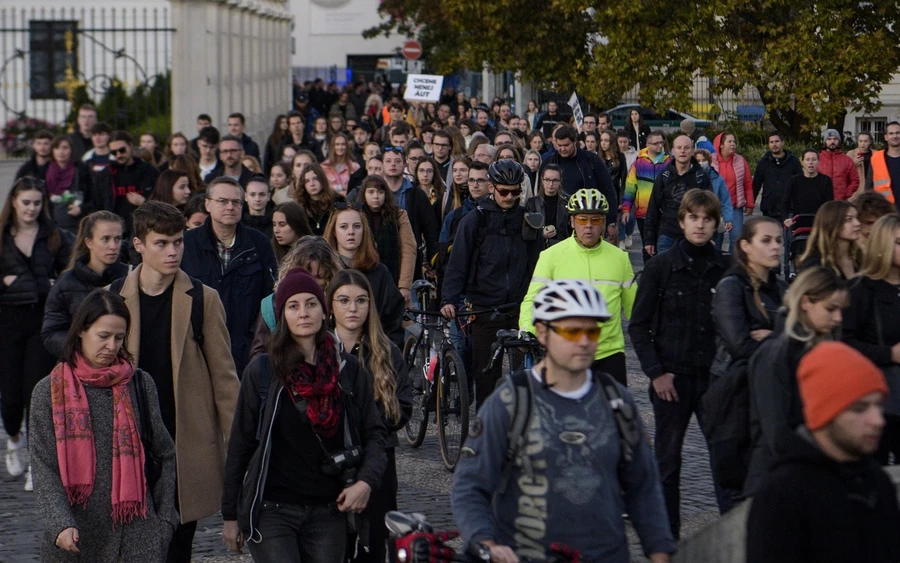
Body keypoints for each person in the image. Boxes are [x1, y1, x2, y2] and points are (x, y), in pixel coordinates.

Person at [453, 279, 674, 563]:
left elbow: (644, 488)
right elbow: (470, 485)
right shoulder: (511, 401)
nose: (583, 341)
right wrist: (486, 543)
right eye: (572, 331)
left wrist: (660, 552)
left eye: (592, 331)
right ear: (543, 332)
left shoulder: (616, 400)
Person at [221, 267, 388, 562]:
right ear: (282, 314)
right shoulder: (262, 372)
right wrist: (231, 515)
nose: (303, 313)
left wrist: (365, 482)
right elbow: (241, 445)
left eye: (311, 304)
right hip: (273, 509)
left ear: (324, 312)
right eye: (293, 306)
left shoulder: (348, 371)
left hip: (329, 508)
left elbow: (375, 434)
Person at [108, 200, 240, 562]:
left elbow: (225, 380)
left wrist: (242, 447)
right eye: (161, 243)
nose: (172, 251)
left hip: (185, 443)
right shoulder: (112, 296)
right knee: (132, 543)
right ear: (138, 246)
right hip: (129, 442)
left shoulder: (202, 298)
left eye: (178, 242)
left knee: (178, 546)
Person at [30, 289, 179, 562]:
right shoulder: (49, 391)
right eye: (103, 336)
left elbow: (165, 454)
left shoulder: (140, 384)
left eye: (119, 338)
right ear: (81, 333)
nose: (111, 346)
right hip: (76, 538)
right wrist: (60, 523)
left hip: (137, 536)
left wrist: (165, 522)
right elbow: (43, 466)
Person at [629, 189, 732, 539]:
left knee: (725, 460)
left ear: (716, 224)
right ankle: (666, 541)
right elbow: (639, 326)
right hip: (671, 380)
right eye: (694, 218)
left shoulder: (728, 268)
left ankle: (734, 537)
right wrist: (656, 374)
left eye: (707, 219)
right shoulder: (660, 267)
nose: (700, 225)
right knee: (667, 464)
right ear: (682, 221)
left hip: (715, 381)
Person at [745, 342, 900, 563]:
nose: (877, 421)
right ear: (827, 413)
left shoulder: (877, 481)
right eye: (860, 409)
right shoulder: (783, 493)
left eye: (879, 406)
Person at [441, 160, 543, 407]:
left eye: (515, 191)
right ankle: (485, 430)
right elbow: (458, 263)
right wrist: (449, 299)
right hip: (485, 307)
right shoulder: (475, 220)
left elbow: (538, 264)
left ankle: (523, 426)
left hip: (519, 306)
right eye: (504, 191)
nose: (510, 196)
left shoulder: (527, 219)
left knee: (526, 373)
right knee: (486, 375)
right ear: (491, 187)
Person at [327, 269, 412, 563]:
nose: (353, 308)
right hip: (330, 460)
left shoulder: (388, 351)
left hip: (378, 458)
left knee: (376, 541)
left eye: (361, 300)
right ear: (331, 305)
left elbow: (403, 406)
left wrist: (369, 426)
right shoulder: (317, 350)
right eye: (344, 300)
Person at [744, 267, 848, 496]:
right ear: (805, 303)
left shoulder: (823, 350)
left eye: (840, 310)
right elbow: (776, 430)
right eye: (831, 309)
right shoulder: (776, 354)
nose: (838, 318)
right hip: (779, 482)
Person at [0, 177, 73, 489]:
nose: (30, 208)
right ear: (14, 201)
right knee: (11, 398)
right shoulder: (2, 237)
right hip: (7, 323)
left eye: (36, 202)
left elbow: (71, 269)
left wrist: (56, 286)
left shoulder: (54, 235)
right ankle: (14, 439)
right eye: (25, 202)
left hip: (43, 323)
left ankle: (38, 464)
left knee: (38, 394)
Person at [521, 188, 635, 386]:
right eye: (582, 220)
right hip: (565, 353)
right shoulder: (551, 256)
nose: (588, 226)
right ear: (572, 221)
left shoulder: (620, 259)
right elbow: (533, 299)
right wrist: (527, 329)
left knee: (613, 415)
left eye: (595, 220)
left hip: (609, 353)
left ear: (603, 223)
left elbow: (636, 307)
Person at [182, 177, 279, 376]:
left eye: (236, 202)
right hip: (197, 348)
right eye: (223, 201)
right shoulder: (186, 244)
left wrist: (256, 338)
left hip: (246, 349)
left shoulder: (258, 243)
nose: (230, 207)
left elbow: (270, 295)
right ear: (207, 204)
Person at [842, 213, 900, 465]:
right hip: (876, 397)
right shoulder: (861, 290)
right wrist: (889, 354)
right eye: (898, 242)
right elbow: (843, 343)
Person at [711, 216, 787, 395]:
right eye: (766, 241)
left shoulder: (783, 289)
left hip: (774, 385)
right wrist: (782, 339)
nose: (775, 246)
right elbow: (740, 346)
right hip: (737, 386)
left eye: (778, 241)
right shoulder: (731, 287)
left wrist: (772, 337)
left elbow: (801, 337)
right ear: (746, 246)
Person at [42, 211, 128, 358]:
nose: (113, 246)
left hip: (125, 365)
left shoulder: (131, 277)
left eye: (118, 239)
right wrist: (83, 351)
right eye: (105, 239)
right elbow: (52, 332)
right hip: (80, 368)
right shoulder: (67, 283)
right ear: (89, 242)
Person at [249, 236, 345, 362]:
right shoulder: (271, 306)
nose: (310, 282)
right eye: (305, 275)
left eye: (318, 276)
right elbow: (258, 357)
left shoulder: (339, 303)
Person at [324, 205, 405, 347]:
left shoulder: (379, 272)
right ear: (334, 231)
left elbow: (392, 321)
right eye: (344, 227)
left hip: (374, 353)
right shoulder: (323, 271)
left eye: (356, 226)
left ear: (364, 230)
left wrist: (386, 354)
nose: (351, 232)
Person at [541, 125, 618, 239]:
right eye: (559, 145)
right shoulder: (549, 161)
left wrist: (611, 221)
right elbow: (540, 191)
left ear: (575, 142)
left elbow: (608, 189)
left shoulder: (592, 160)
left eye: (566, 145)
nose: (562, 149)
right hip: (558, 220)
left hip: (587, 218)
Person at [91, 131, 159, 259]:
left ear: (131, 146)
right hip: (115, 232)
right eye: (114, 152)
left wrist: (144, 202)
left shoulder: (149, 171)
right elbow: (97, 203)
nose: (118, 155)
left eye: (122, 150)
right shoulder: (106, 174)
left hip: (143, 230)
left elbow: (162, 200)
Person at [644, 135, 713, 256]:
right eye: (679, 147)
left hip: (694, 235)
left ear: (692, 151)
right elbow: (653, 207)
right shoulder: (664, 176)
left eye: (686, 148)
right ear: (673, 151)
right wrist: (649, 239)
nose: (682, 151)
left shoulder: (701, 177)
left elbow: (711, 208)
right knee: (666, 273)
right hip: (667, 234)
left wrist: (711, 236)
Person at [382, 146, 439, 275]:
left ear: (405, 164)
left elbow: (431, 229)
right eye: (388, 161)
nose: (393, 164)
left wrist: (432, 260)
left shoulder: (416, 195)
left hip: (410, 258)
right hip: (381, 258)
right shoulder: (374, 194)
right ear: (382, 165)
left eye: (397, 161)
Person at [358, 175, 416, 297]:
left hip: (393, 280)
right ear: (364, 194)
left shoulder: (399, 215)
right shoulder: (356, 215)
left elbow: (409, 249)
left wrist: (404, 286)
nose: (376, 196)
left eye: (380, 192)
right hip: (362, 279)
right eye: (371, 192)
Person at [622, 130, 670, 263]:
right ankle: (648, 274)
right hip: (643, 212)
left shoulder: (669, 163)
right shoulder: (638, 164)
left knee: (662, 246)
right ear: (648, 145)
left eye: (661, 142)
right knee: (647, 246)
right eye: (656, 143)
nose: (660, 146)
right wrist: (626, 209)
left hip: (663, 212)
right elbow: (630, 188)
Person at [797, 200, 862, 279]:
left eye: (857, 218)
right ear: (832, 224)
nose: (857, 223)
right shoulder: (815, 265)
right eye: (849, 219)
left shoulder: (860, 257)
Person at [712, 132, 754, 249]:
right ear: (721, 145)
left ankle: (734, 264)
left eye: (734, 141)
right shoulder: (711, 161)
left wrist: (750, 203)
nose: (733, 144)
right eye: (729, 141)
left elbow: (748, 183)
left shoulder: (740, 160)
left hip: (735, 206)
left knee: (737, 239)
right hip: (716, 208)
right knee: (716, 239)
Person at [44, 135, 93, 233]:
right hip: (52, 225)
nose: (61, 152)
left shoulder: (81, 170)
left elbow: (93, 198)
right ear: (52, 151)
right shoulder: (44, 171)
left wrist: (81, 209)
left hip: (77, 225)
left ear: (71, 150)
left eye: (65, 148)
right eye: (57, 148)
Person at [693, 149, 734, 248]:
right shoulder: (690, 178)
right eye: (698, 161)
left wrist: (728, 219)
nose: (701, 163)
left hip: (715, 221)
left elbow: (725, 201)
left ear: (709, 161)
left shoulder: (719, 180)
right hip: (696, 222)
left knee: (715, 251)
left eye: (703, 160)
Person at [524, 163, 570, 247]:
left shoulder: (567, 202)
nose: (551, 184)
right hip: (539, 249)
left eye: (555, 180)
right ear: (542, 180)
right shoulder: (532, 203)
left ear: (560, 181)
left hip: (563, 247)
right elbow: (527, 232)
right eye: (547, 180)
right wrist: (541, 234)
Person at [297, 162, 344, 236]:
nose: (312, 184)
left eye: (315, 179)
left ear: (322, 179)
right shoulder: (300, 207)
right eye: (307, 181)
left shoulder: (338, 201)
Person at [818, 128, 860, 201]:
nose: (832, 141)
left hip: (840, 202)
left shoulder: (847, 160)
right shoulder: (817, 159)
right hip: (821, 202)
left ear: (839, 141)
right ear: (825, 142)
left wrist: (846, 194)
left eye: (835, 139)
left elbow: (855, 180)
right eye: (829, 139)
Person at [867, 121, 900, 202]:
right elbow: (869, 186)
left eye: (898, 133)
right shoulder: (876, 158)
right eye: (891, 133)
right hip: (884, 208)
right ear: (886, 137)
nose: (895, 136)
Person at [242, 174, 276, 238]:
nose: (257, 199)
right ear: (246, 196)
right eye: (252, 195)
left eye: (262, 194)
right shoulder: (237, 222)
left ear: (268, 196)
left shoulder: (276, 221)